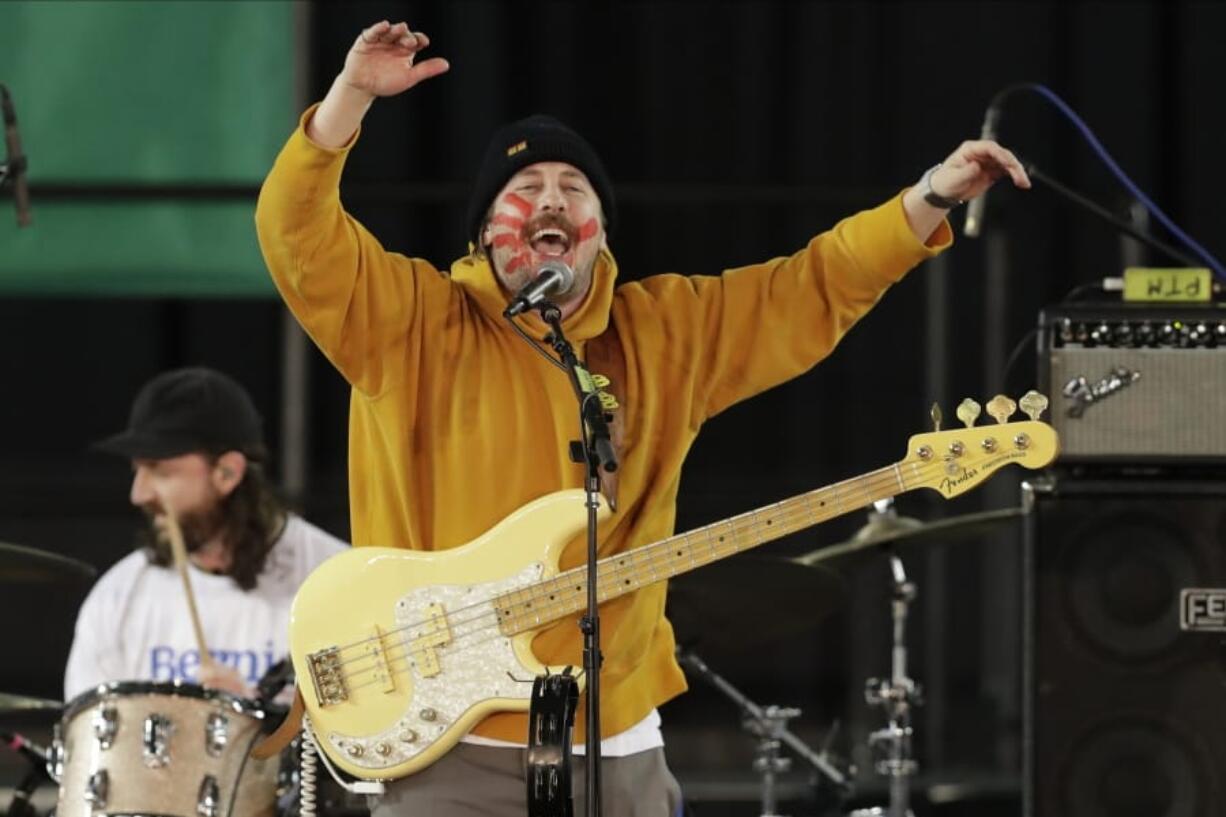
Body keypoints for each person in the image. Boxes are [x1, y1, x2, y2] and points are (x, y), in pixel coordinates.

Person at [254, 18, 1031, 817]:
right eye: (524, 191)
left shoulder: (663, 331)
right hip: (453, 746)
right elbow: (297, 235)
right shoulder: (413, 322)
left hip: (618, 746)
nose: (549, 200)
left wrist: (928, 195)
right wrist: (348, 98)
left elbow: (811, 287)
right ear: (487, 230)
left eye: (573, 189)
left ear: (598, 234)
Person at [63, 367, 349, 702]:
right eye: (137, 470)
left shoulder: (336, 583)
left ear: (227, 473)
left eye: (160, 471)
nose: (139, 494)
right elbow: (88, 744)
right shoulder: (120, 595)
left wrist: (250, 717)